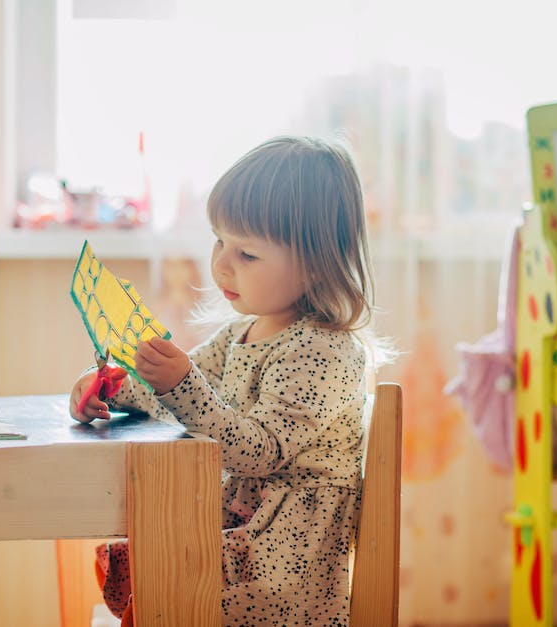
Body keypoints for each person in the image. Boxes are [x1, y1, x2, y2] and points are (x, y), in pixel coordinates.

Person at [70, 135, 386, 626]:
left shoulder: (324, 350)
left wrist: (180, 384)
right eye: (220, 240)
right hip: (242, 534)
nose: (220, 263)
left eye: (248, 254)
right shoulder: (241, 332)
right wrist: (113, 386)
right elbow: (176, 394)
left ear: (317, 262)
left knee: (163, 566)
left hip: (280, 569)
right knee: (146, 548)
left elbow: (257, 452)